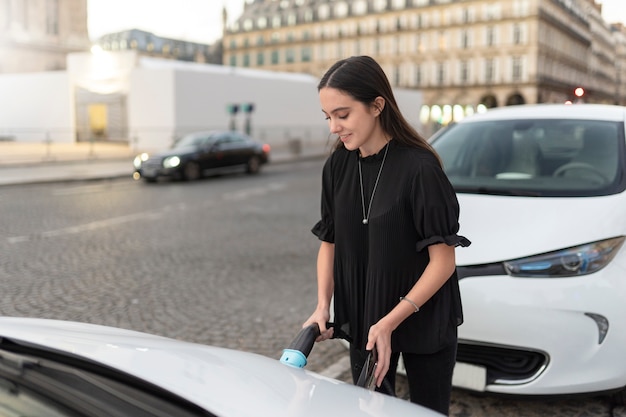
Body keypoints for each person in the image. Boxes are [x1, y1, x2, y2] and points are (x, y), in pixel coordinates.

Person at [303, 56, 470, 415]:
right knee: (371, 409)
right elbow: (329, 241)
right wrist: (322, 306)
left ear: (377, 105)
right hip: (368, 317)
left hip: (422, 315)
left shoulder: (420, 169)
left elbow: (443, 262)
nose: (333, 127)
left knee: (429, 410)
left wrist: (392, 321)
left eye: (342, 115)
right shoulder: (337, 166)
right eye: (328, 116)